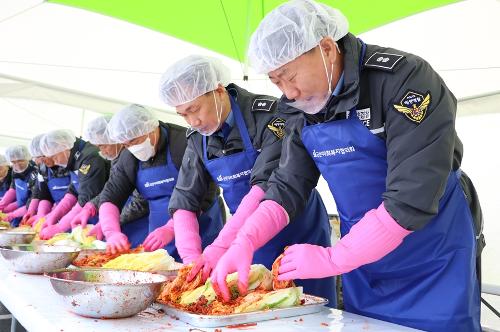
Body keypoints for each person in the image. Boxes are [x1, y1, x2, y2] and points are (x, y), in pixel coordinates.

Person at [237, 0, 483, 331]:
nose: (288, 92)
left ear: (326, 48)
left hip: (432, 253)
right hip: (363, 256)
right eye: (275, 81)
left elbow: (412, 195)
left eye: (289, 76)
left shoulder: (403, 79)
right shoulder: (300, 105)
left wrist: (333, 259)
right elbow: (289, 183)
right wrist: (245, 239)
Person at [159, 54, 335, 305]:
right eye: (183, 115)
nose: (193, 121)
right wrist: (191, 262)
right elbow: (185, 199)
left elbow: (265, 187)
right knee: (258, 305)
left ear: (218, 91)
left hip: (298, 227)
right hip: (243, 235)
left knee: (309, 303)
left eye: (195, 109)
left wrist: (220, 246)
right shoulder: (198, 138)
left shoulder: (270, 115)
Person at [97, 104, 224, 259]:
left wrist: (172, 228)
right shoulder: (128, 157)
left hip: (202, 225)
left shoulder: (183, 142)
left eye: (135, 140)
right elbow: (110, 195)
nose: (131, 148)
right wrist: (112, 233)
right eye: (125, 144)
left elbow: (206, 190)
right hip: (159, 234)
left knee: (201, 271)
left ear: (150, 128)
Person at [70, 115, 149, 246]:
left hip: (142, 224)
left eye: (103, 146)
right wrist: (91, 206)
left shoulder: (136, 156)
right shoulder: (116, 160)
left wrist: (110, 222)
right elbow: (112, 189)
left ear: (115, 139)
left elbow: (140, 201)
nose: (101, 151)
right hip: (122, 223)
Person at [38, 129, 109, 239]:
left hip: (103, 215)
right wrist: (54, 215)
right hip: (86, 216)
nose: (55, 162)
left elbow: (86, 197)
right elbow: (73, 190)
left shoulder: (89, 157)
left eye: (54, 157)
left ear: (63, 147)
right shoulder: (73, 159)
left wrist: (60, 227)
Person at [0, 145, 37, 227]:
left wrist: (12, 215)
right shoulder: (15, 170)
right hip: (19, 209)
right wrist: (1, 205)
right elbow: (13, 189)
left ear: (28, 158)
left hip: (31, 211)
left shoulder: (35, 173)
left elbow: (32, 201)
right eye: (13, 162)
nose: (17, 165)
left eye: (21, 161)